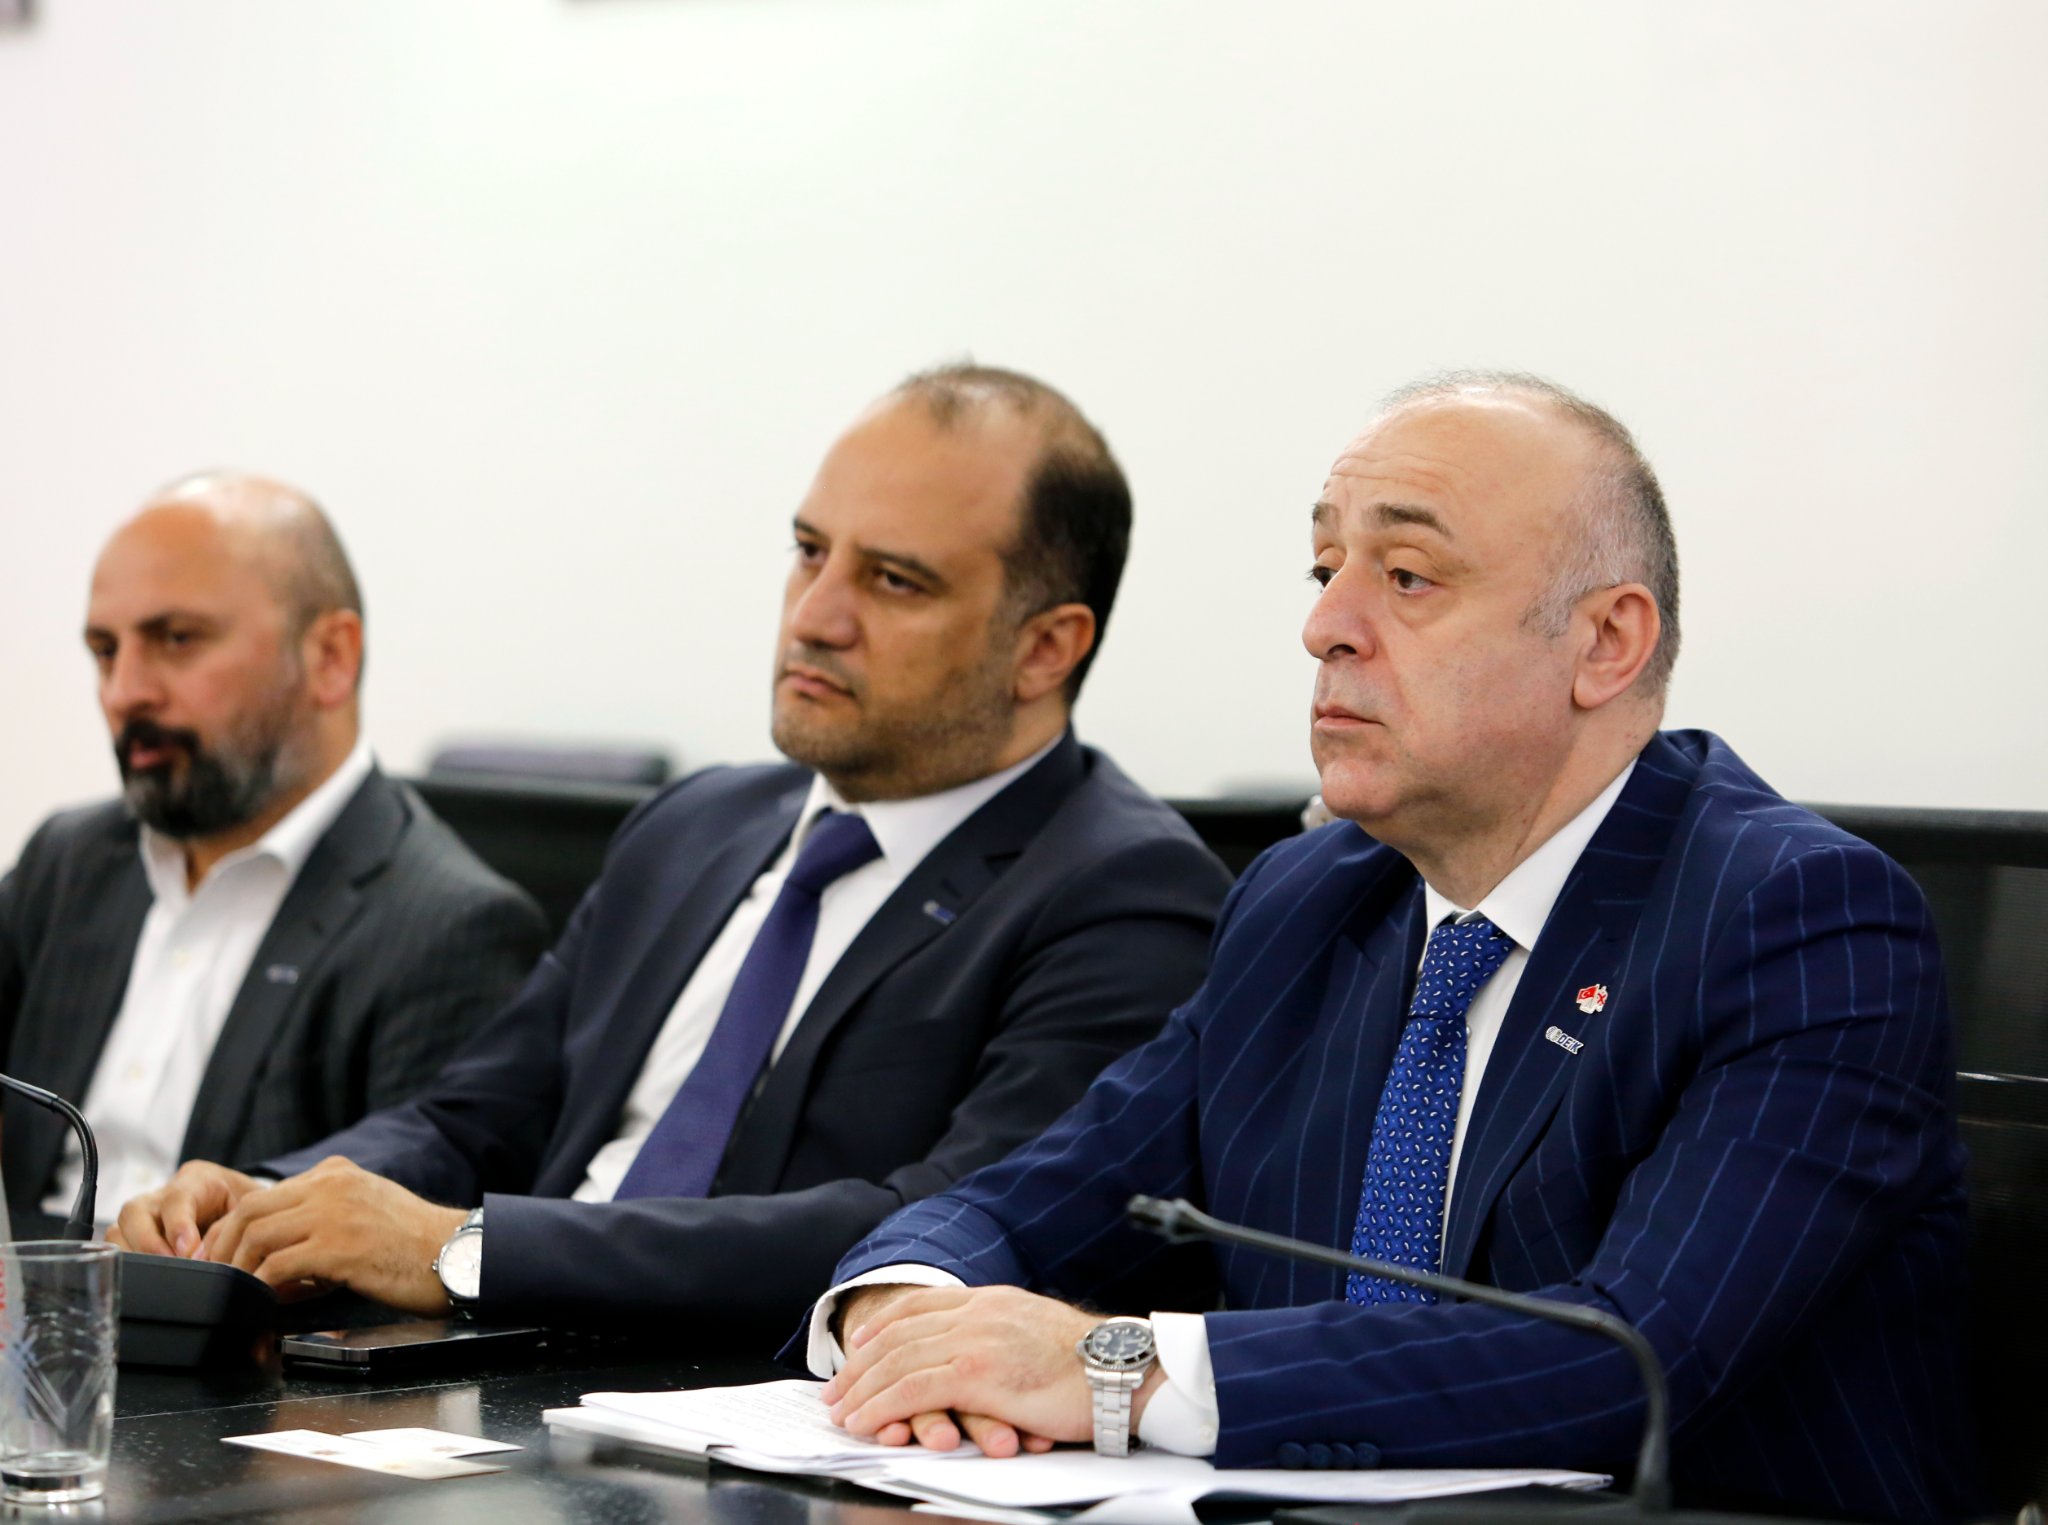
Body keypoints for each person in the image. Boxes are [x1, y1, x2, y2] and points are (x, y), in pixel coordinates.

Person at [809, 373, 1977, 1524]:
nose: (1324, 626)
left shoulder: (1798, 918)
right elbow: (1030, 1201)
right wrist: (905, 1315)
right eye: (1325, 570)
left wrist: (1121, 1368)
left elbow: (1628, 1355)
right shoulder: (1306, 902)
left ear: (1604, 642)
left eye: (1406, 576)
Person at [112, 365, 1232, 1347]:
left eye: (894, 580)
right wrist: (268, 1201)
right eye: (809, 552)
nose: (816, 616)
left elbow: (937, 1229)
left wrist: (466, 1250)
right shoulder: (694, 826)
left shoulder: (1125, 893)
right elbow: (477, 1116)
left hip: (752, 1414)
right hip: (501, 1377)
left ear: (1045, 648)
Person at [0, 473, 548, 1229]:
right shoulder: (68, 862)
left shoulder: (451, 927)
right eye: (104, 651)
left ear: (330, 657)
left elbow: (403, 1243)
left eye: (177, 639)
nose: (125, 691)